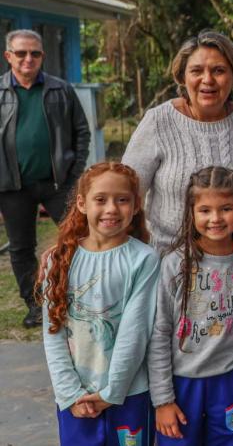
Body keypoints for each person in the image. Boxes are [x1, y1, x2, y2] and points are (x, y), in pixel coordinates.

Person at [39, 162, 160, 446]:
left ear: (136, 205)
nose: (111, 209)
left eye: (122, 200)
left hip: (130, 395)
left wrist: (111, 392)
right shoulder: (60, 260)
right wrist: (69, 392)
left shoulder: (144, 260)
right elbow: (52, 331)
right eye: (100, 199)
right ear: (82, 203)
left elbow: (136, 333)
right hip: (75, 399)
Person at [122, 30, 233, 253]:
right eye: (196, 71)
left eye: (219, 70)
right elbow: (124, 193)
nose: (207, 80)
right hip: (170, 260)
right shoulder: (158, 121)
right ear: (182, 77)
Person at [148, 166, 233, 444]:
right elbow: (160, 333)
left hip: (232, 382)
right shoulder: (175, 263)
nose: (215, 218)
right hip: (182, 384)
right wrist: (162, 400)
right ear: (191, 212)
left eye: (225, 208)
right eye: (205, 210)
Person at [0, 29, 90, 328]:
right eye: (21, 53)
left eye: (35, 53)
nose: (28, 59)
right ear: (8, 55)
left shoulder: (61, 90)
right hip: (13, 186)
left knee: (79, 239)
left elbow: (81, 132)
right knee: (21, 247)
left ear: (42, 56)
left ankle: (79, 296)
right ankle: (36, 304)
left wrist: (74, 173)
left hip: (58, 184)